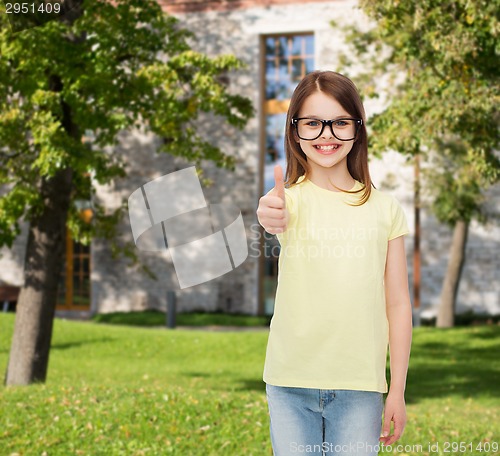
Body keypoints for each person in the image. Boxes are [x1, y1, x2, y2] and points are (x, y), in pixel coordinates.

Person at [256, 70, 412, 456]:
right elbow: (271, 215)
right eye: (312, 123)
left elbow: (398, 304)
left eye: (340, 122)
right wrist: (268, 212)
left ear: (357, 129)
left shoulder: (385, 209)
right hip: (290, 382)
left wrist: (398, 391)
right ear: (295, 132)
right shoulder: (286, 202)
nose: (327, 134)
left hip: (361, 387)